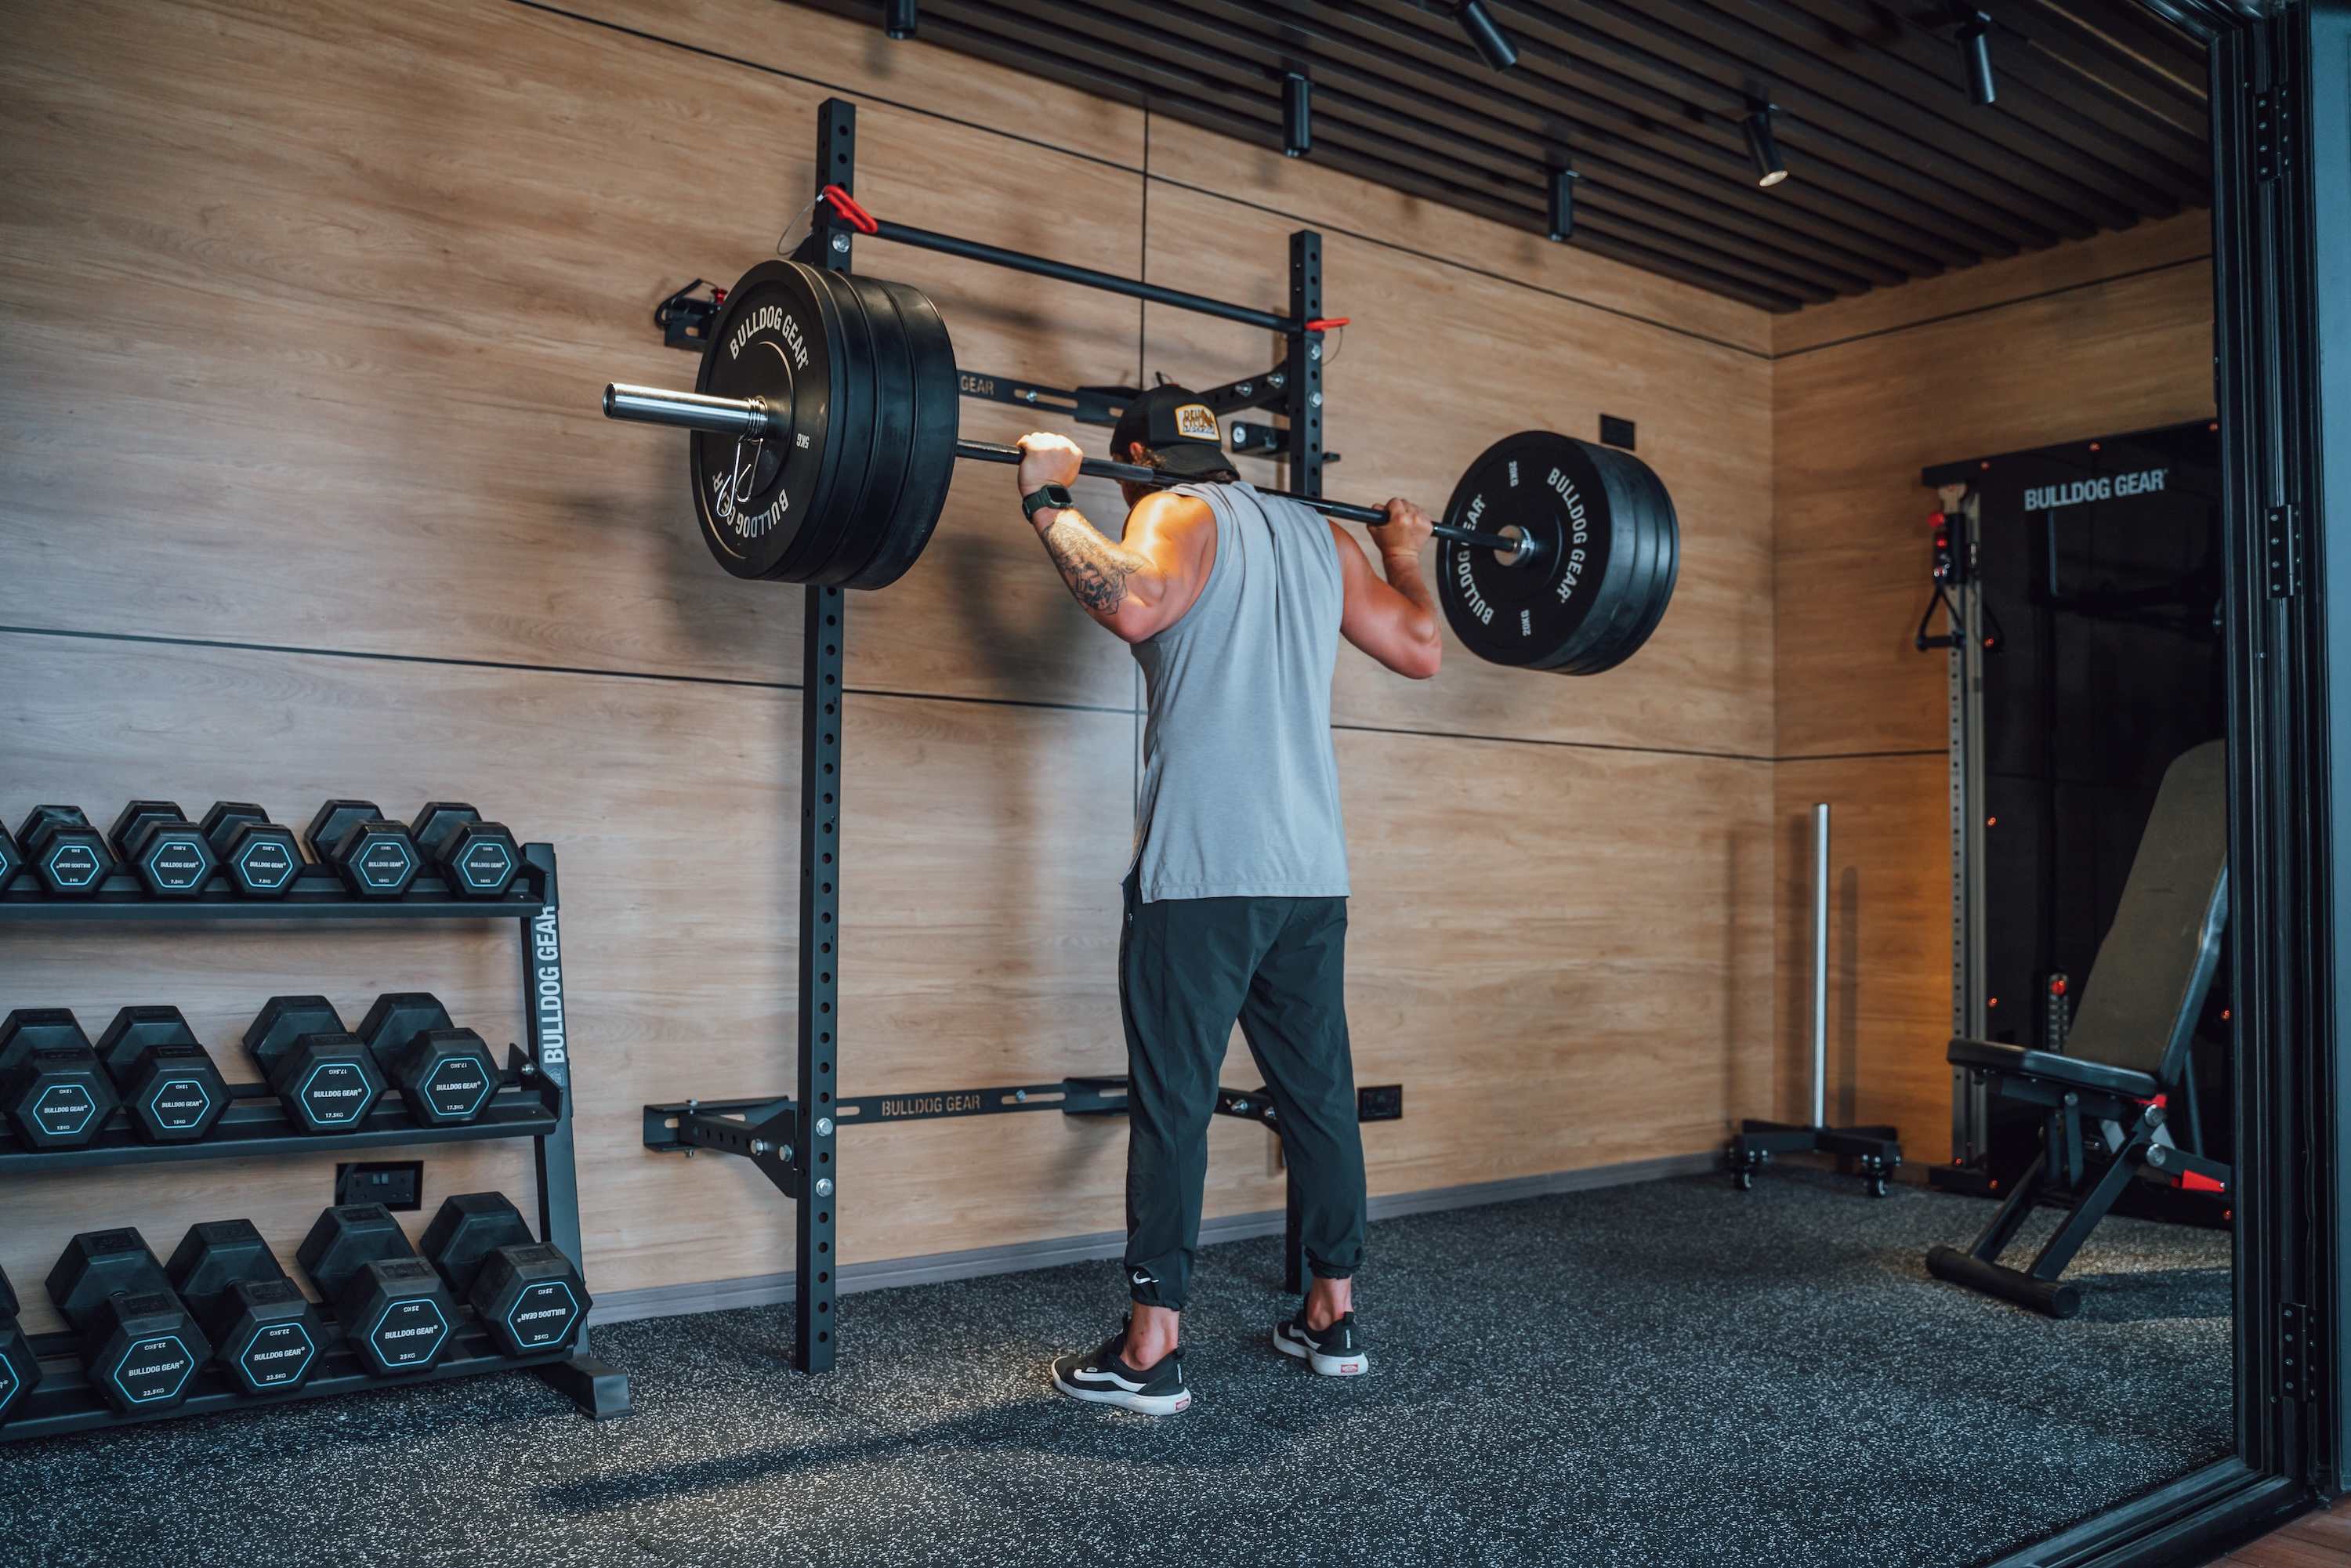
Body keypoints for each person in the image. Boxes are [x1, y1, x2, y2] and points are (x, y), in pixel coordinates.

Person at [1015, 385, 1442, 1416]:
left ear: (1134, 461)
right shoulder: (1317, 535)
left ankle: (1152, 1346)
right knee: (1318, 1100)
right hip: (1308, 874)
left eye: (1116, 476)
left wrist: (1047, 502)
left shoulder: (1172, 511)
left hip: (1203, 873)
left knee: (1175, 1103)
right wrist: (1402, 557)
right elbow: (1423, 649)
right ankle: (1332, 1315)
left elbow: (1129, 600)